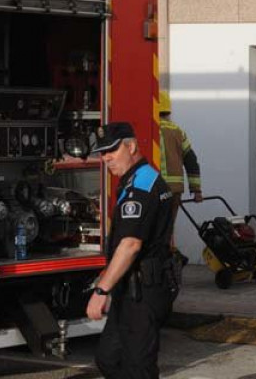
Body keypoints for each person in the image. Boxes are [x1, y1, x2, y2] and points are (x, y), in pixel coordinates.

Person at [87, 122, 176, 378]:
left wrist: (101, 290)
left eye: (112, 151)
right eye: (103, 153)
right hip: (132, 288)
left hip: (144, 292)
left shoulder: (141, 186)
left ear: (132, 146)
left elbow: (130, 244)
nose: (106, 159)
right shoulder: (136, 180)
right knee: (109, 358)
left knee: (138, 368)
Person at [158, 91, 203, 231]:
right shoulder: (178, 131)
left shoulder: (149, 128)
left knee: (153, 229)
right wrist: (196, 190)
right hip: (174, 190)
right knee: (167, 228)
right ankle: (166, 250)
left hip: (154, 189)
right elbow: (191, 161)